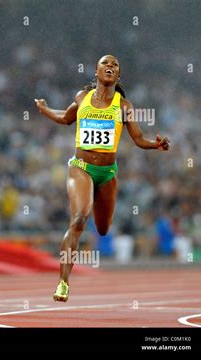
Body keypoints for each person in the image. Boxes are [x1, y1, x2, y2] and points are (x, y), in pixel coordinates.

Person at [35, 55, 170, 302]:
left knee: (103, 228)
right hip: (80, 168)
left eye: (115, 65)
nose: (110, 66)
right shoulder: (82, 97)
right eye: (105, 64)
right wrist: (44, 109)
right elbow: (66, 118)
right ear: (96, 72)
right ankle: (63, 282)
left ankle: (95, 212)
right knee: (78, 219)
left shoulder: (124, 106)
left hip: (107, 173)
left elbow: (139, 139)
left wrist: (155, 144)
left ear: (118, 76)